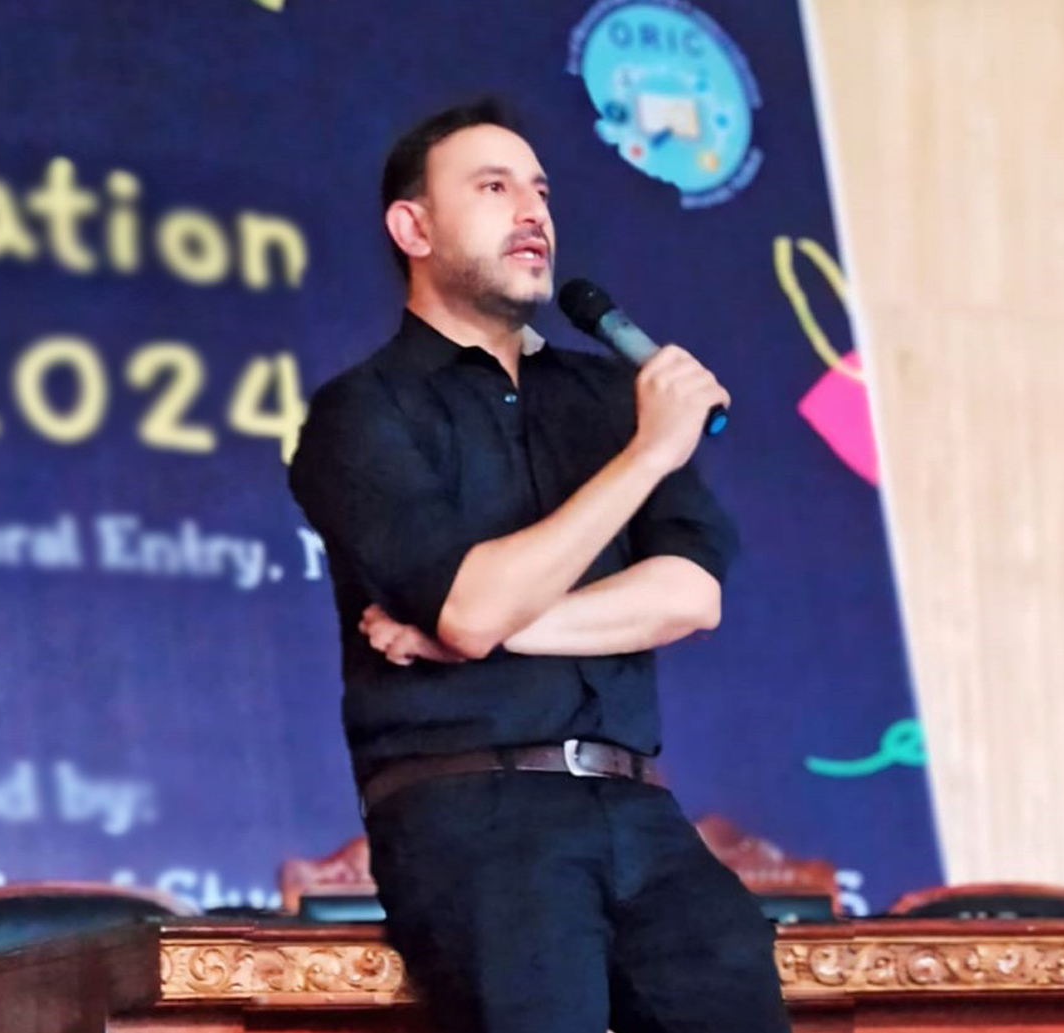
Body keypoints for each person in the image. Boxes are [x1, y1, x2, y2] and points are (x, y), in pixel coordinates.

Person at [288, 99, 790, 1033]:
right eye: (493, 187)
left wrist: (469, 634)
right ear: (414, 228)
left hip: (637, 805)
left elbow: (690, 595)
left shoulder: (613, 396)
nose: (533, 213)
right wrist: (648, 455)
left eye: (541, 191)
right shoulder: (364, 414)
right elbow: (470, 604)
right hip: (471, 814)